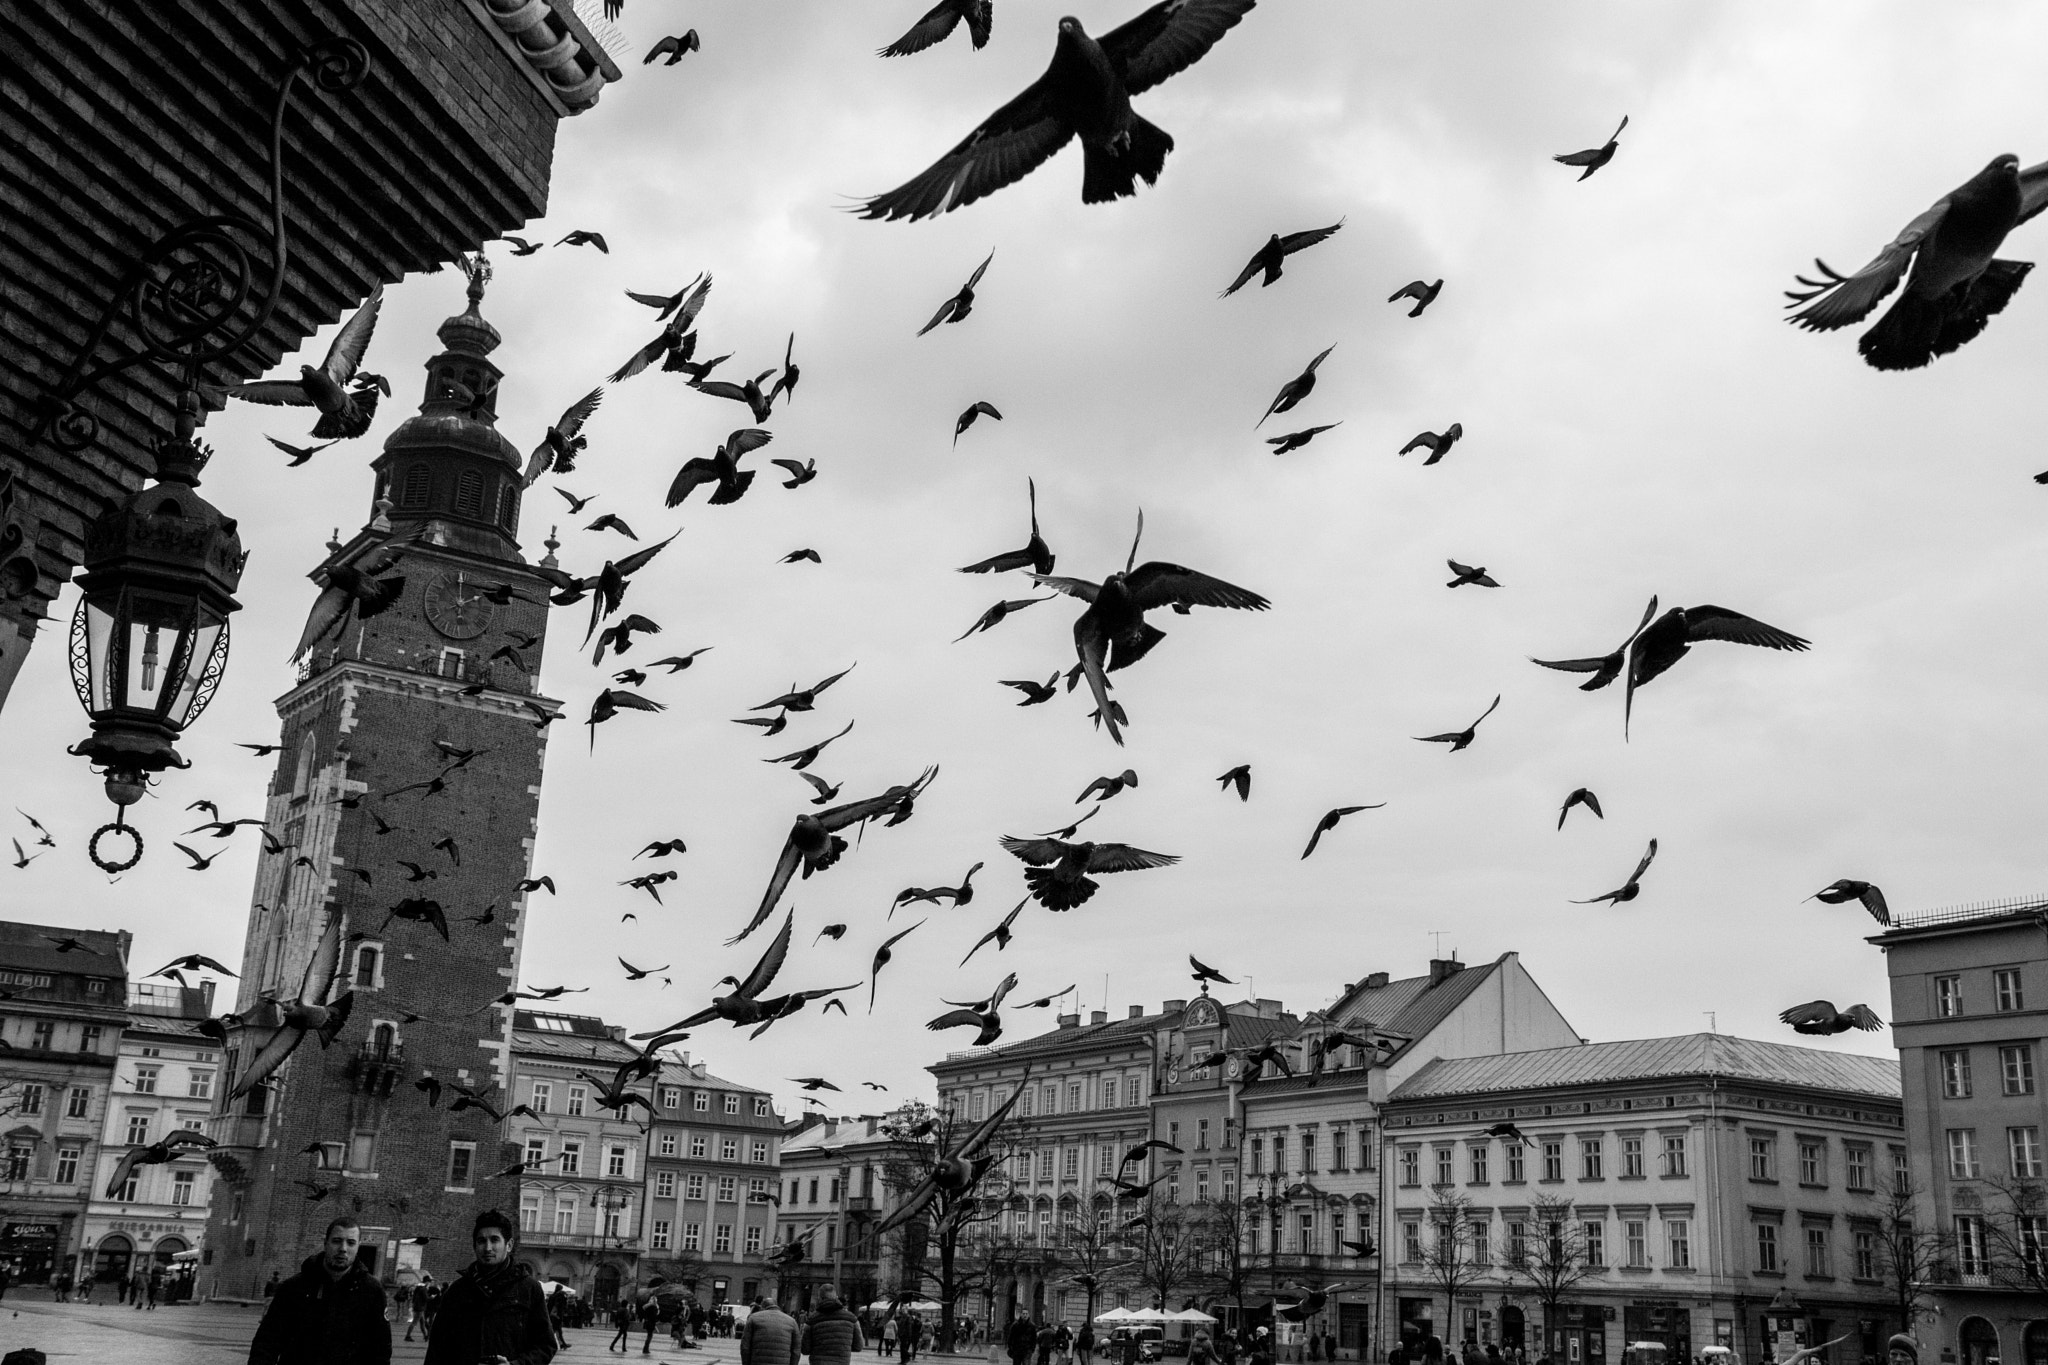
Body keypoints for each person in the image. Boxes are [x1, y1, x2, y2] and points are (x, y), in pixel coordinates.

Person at [247, 1216, 392, 1365]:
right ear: (325, 1243)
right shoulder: (294, 1288)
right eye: (337, 1241)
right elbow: (267, 1342)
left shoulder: (371, 1291)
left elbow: (381, 1350)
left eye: (350, 1243)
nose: (343, 1249)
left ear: (358, 1247)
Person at [421, 1210, 556, 1365]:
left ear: (509, 1245)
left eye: (494, 1240)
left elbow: (546, 1345)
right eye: (481, 1241)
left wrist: (515, 1364)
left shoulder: (528, 1288)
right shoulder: (457, 1291)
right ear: (474, 1246)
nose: (487, 1248)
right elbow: (437, 1349)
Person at [804, 1289, 868, 1365]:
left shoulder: (812, 1320)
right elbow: (858, 1347)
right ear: (836, 1297)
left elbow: (805, 1349)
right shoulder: (852, 1319)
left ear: (820, 1298)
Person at [742, 1295, 801, 1365]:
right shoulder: (792, 1322)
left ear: (762, 1307)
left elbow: (745, 1346)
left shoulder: (753, 1318)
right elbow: (796, 1350)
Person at [639, 1287, 663, 1355]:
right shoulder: (654, 1308)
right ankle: (645, 1348)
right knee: (649, 1336)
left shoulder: (647, 1307)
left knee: (649, 1336)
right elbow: (655, 1316)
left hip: (647, 1322)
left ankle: (646, 1348)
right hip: (651, 1323)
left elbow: (644, 1310)